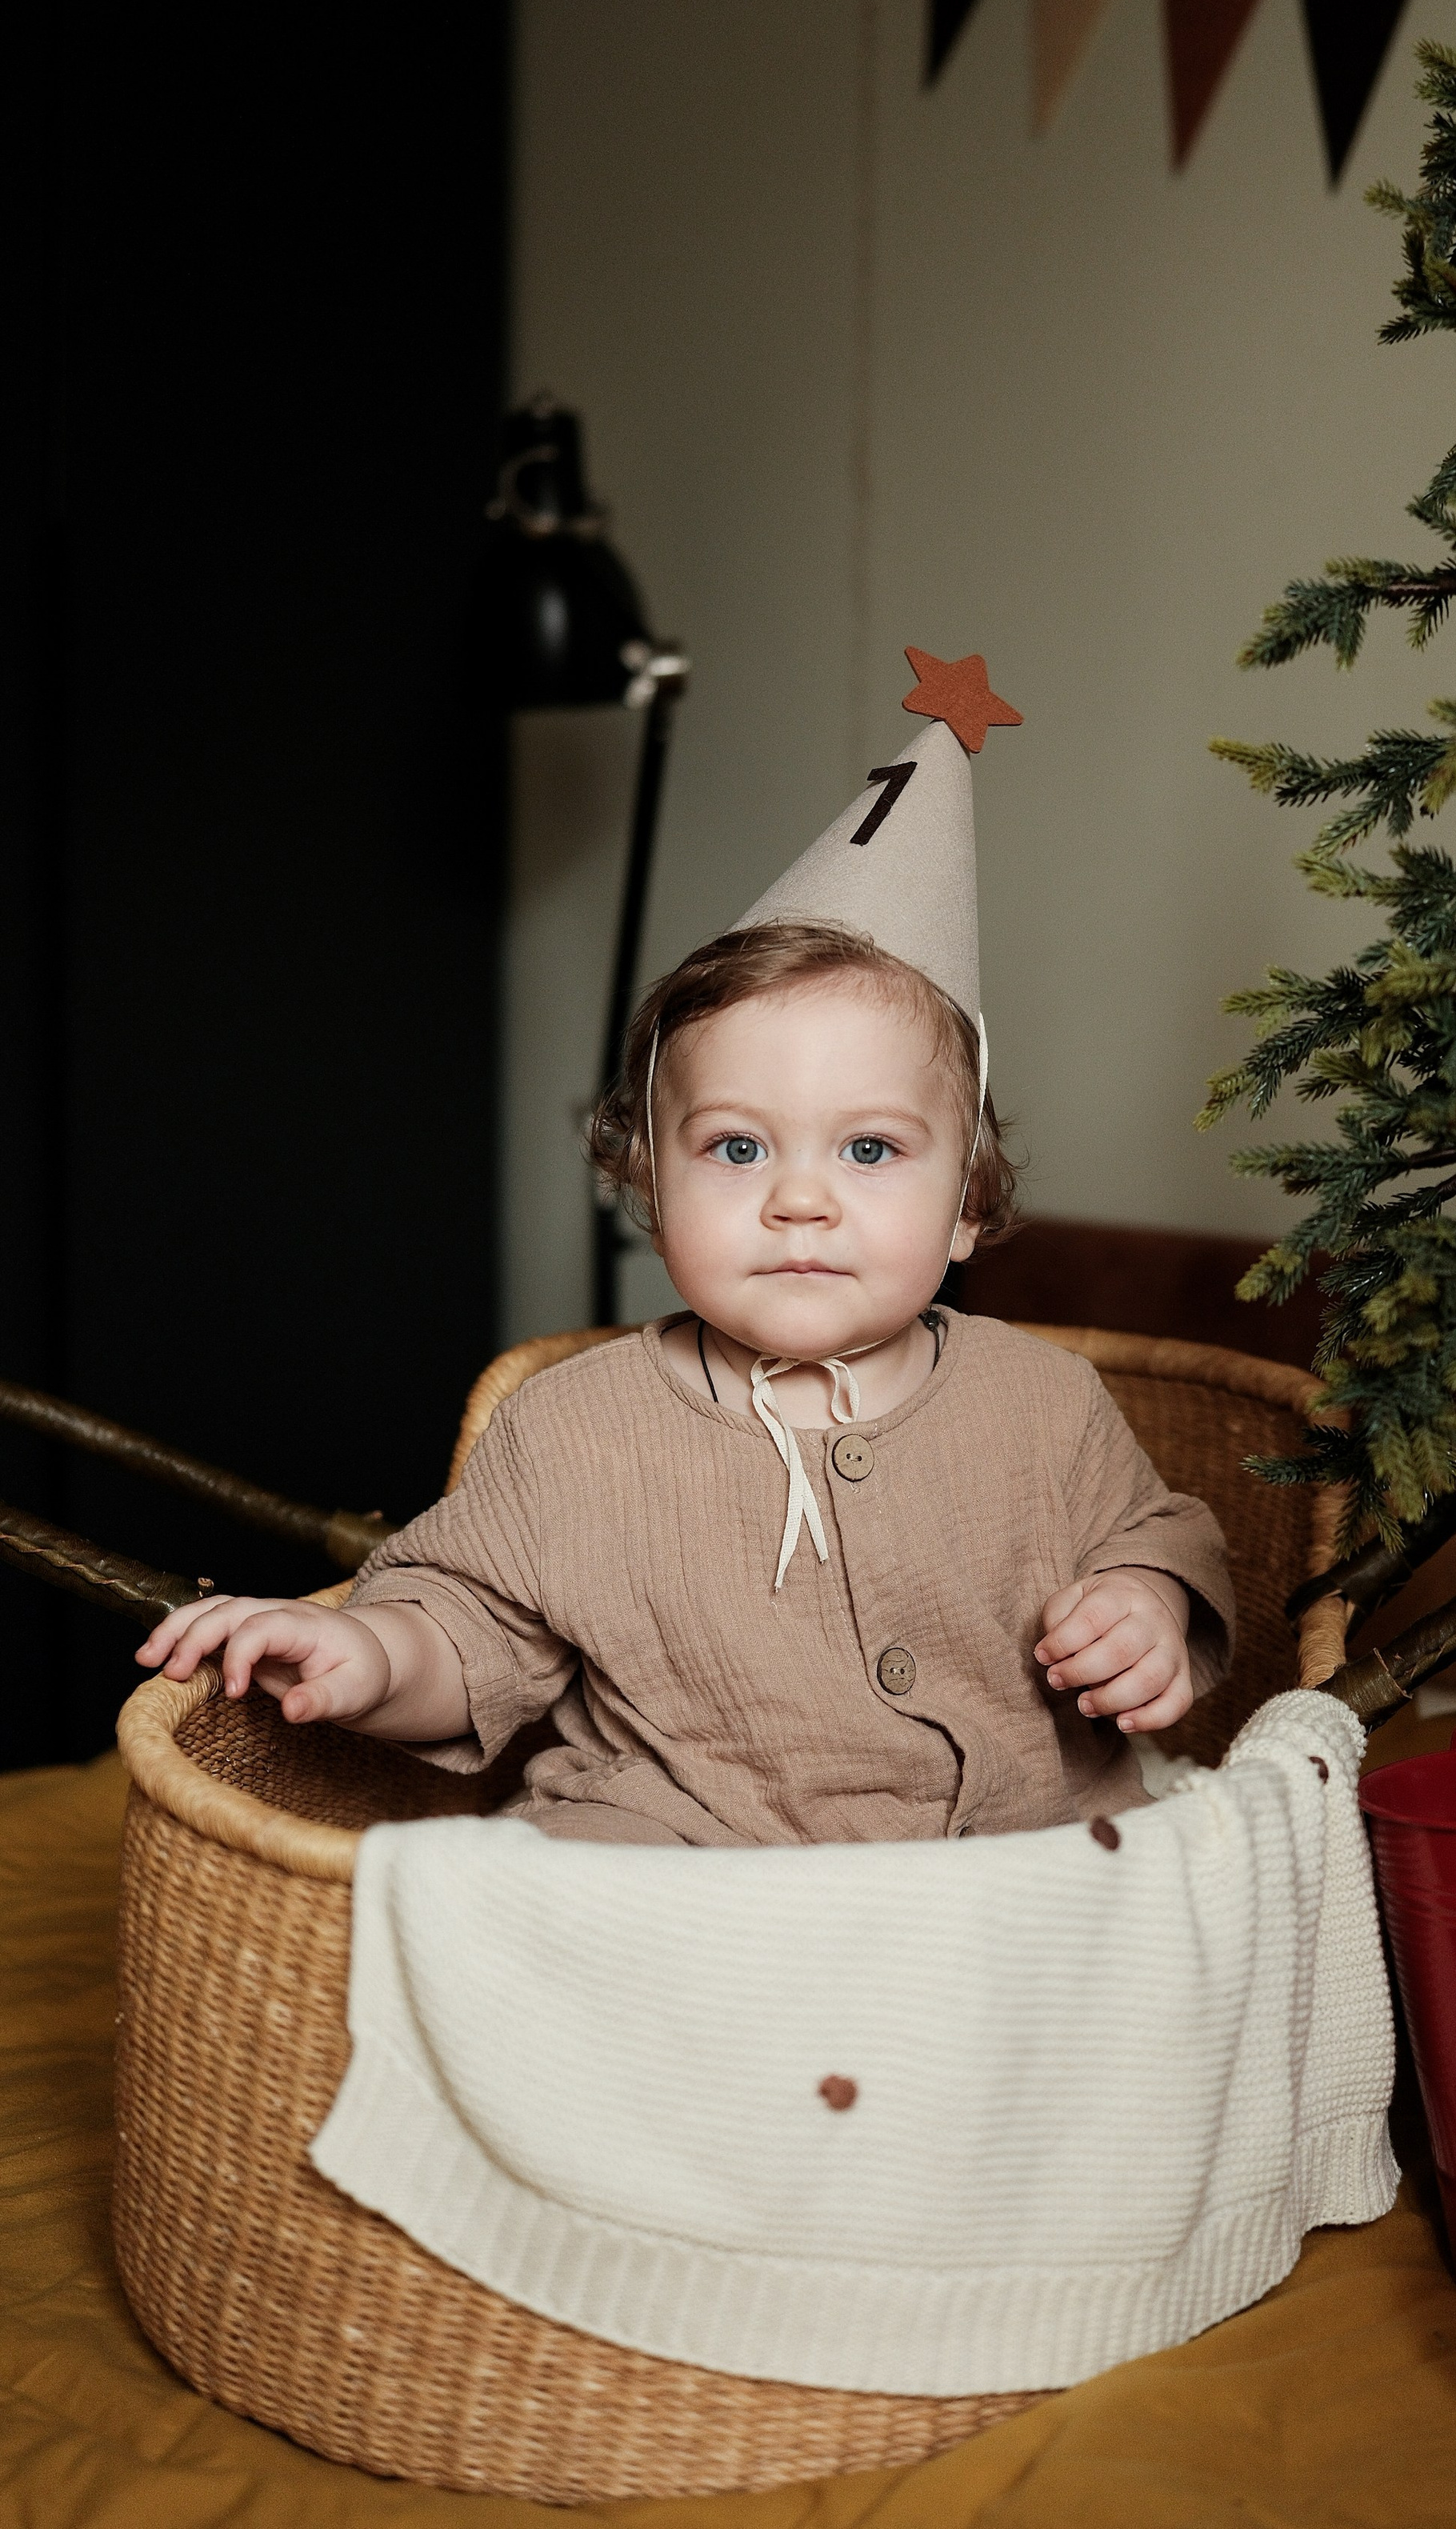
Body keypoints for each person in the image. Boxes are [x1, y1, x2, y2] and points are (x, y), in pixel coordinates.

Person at [138, 669, 1235, 1847]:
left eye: (869, 1148)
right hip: (681, 1865)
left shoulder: (1044, 1405)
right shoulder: (573, 1429)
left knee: (1167, 1893)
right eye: (737, 1147)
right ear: (652, 1191)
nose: (801, 1200)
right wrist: (365, 1650)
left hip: (1013, 1862)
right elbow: (470, 1625)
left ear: (967, 1202)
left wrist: (1146, 1606)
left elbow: (1159, 1532)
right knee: (551, 1910)